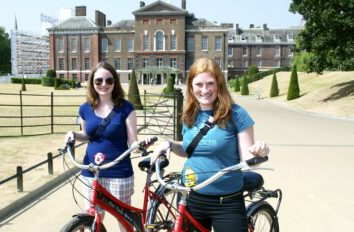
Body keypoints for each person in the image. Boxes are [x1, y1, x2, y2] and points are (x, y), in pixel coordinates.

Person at [151, 57, 269, 232]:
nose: (204, 90)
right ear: (191, 86)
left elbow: (248, 159)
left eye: (210, 84)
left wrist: (259, 154)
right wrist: (168, 144)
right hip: (191, 199)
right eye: (199, 84)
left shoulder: (236, 114)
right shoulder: (190, 114)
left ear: (219, 85)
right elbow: (188, 149)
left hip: (226, 203)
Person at [64, 62, 139, 231]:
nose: (104, 84)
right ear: (92, 83)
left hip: (118, 171)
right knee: (94, 215)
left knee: (123, 219)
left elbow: (133, 140)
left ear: (115, 82)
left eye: (109, 80)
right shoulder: (85, 109)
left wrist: (139, 146)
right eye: (98, 81)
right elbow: (86, 134)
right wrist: (74, 135)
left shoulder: (126, 108)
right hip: (91, 170)